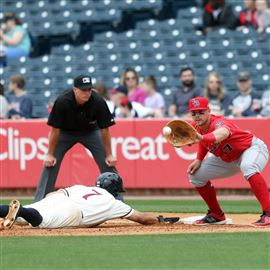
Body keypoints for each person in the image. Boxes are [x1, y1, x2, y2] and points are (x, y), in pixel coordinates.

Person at [186, 96, 270, 227]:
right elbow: (202, 143)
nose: (197, 116)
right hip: (229, 159)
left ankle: (268, 213)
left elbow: (223, 133)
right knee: (195, 175)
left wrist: (201, 137)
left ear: (209, 110)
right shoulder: (195, 127)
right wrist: (198, 159)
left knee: (249, 166)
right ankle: (216, 215)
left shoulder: (218, 122)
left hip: (250, 149)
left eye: (201, 112)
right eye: (194, 113)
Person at [34, 75, 118, 202]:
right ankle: (39, 203)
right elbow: (55, 130)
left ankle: (118, 201)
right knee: (50, 163)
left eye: (89, 89)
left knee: (108, 162)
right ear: (75, 89)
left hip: (90, 132)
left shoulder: (98, 100)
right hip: (65, 133)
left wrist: (109, 154)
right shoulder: (62, 101)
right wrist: (50, 154)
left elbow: (105, 129)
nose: (87, 93)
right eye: (83, 90)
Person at [0, 173, 179, 230]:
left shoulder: (84, 187)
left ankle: (19, 211)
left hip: (57, 197)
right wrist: (159, 219)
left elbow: (57, 193)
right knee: (41, 222)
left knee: (23, 218)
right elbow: (141, 218)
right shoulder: (114, 203)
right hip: (74, 211)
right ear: (115, 190)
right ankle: (21, 211)